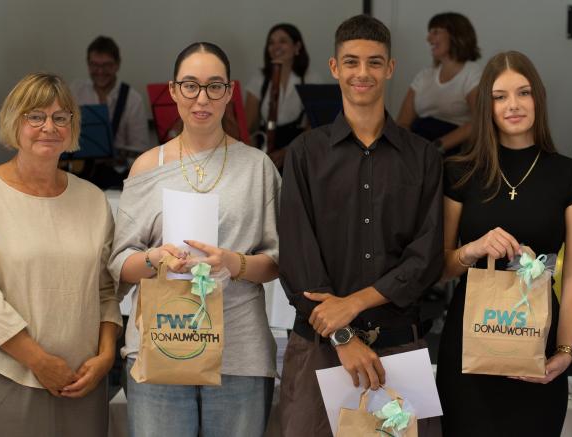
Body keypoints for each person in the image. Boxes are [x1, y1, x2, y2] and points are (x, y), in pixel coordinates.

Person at [276, 15, 443, 437]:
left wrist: (352, 305)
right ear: (335, 68)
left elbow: (426, 257)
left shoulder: (423, 157)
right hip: (320, 347)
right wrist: (344, 335)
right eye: (351, 62)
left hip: (399, 345)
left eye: (374, 62)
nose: (362, 73)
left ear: (390, 68)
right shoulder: (304, 154)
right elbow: (297, 257)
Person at [109, 42, 281, 437]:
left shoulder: (258, 168)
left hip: (238, 351)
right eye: (190, 85)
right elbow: (121, 262)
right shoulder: (148, 165)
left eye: (214, 86)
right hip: (161, 342)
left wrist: (231, 262)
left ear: (230, 92)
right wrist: (155, 258)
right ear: (172, 91)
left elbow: (276, 262)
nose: (202, 98)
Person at [0, 72, 122, 436]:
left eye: (60, 117)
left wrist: (105, 358)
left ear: (72, 127)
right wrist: (39, 361)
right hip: (9, 376)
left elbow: (106, 290)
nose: (49, 127)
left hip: (82, 381)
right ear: (14, 121)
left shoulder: (93, 199)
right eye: (35, 116)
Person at [436, 51, 572, 436]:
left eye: (523, 93)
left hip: (537, 340)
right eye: (500, 96)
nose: (513, 105)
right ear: (485, 106)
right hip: (468, 344)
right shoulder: (460, 172)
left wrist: (565, 351)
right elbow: (438, 269)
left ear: (537, 99)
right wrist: (471, 250)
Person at [396, 12, 482, 155]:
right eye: (430, 33)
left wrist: (437, 146)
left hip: (451, 151)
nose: (429, 39)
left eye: (435, 32)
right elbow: (403, 123)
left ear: (456, 35)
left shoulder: (473, 74)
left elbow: (478, 122)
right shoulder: (424, 76)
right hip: (418, 147)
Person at [71, 36, 150, 188]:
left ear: (117, 65)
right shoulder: (76, 91)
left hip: (116, 177)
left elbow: (140, 152)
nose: (100, 71)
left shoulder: (132, 99)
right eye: (94, 65)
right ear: (88, 64)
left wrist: (118, 158)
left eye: (106, 65)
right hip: (79, 175)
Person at [244, 23, 315, 166]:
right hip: (264, 151)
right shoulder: (259, 79)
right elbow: (248, 125)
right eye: (271, 43)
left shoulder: (310, 79)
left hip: (298, 152)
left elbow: (313, 128)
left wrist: (287, 152)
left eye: (283, 41)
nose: (276, 47)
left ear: (297, 47)